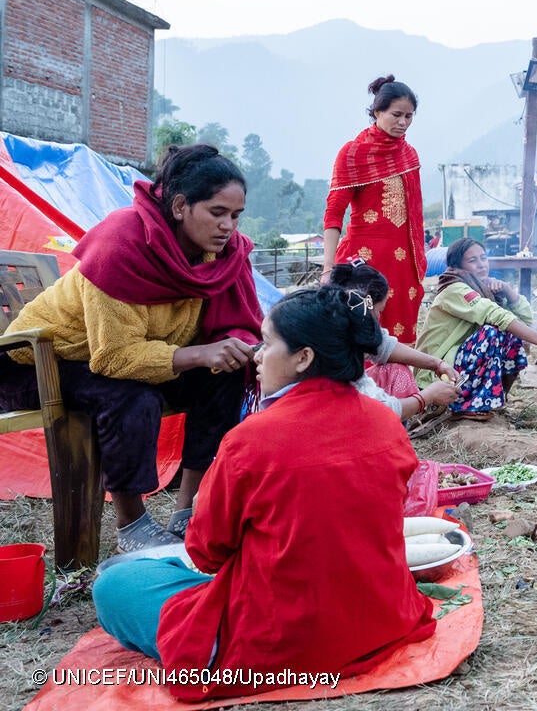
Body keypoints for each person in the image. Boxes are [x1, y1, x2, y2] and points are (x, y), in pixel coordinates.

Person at [91, 287, 437, 700]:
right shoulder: (385, 422)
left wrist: (206, 507)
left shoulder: (250, 439)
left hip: (281, 645)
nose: (257, 355)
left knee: (114, 583)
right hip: (380, 619)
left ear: (303, 358)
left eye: (268, 344)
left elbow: (206, 553)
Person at [0, 145, 259, 551]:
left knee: (222, 375)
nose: (229, 227)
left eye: (235, 216)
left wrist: (234, 350)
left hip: (119, 357)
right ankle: (132, 526)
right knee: (130, 396)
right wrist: (196, 355)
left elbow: (236, 323)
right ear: (179, 206)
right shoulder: (121, 244)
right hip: (39, 360)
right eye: (217, 212)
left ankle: (187, 511)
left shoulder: (220, 255)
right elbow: (114, 357)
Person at [418, 238, 537, 421]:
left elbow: (524, 320)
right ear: (457, 266)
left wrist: (508, 291)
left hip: (459, 364)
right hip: (438, 372)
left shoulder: (483, 288)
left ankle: (495, 400)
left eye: (483, 258)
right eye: (473, 261)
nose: (482, 265)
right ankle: (466, 405)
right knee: (492, 332)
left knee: (510, 333)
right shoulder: (455, 289)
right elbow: (499, 317)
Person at [323, 75, 427, 343]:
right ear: (377, 112)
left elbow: (414, 217)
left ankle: (397, 386)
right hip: (364, 262)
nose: (403, 122)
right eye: (396, 115)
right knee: (359, 336)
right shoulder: (353, 153)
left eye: (409, 116)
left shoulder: (409, 155)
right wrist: (327, 269)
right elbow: (334, 214)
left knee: (398, 341)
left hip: (404, 263)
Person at [329, 259, 460, 420]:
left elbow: (385, 347)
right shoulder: (336, 351)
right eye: (379, 310)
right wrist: (428, 396)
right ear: (365, 305)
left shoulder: (337, 321)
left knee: (397, 370)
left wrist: (437, 364)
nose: (378, 317)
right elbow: (380, 412)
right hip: (336, 421)